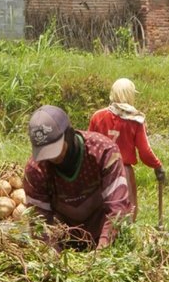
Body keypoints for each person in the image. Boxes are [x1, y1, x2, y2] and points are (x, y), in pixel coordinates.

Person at [23, 105, 132, 250]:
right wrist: (53, 257)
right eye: (45, 152)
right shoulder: (36, 169)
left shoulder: (103, 152)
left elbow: (117, 207)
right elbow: (39, 221)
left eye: (55, 149)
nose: (51, 157)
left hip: (104, 233)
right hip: (65, 239)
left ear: (69, 134)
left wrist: (103, 253)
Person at [88, 77, 165, 219]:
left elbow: (89, 147)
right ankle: (124, 237)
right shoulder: (135, 120)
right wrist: (157, 166)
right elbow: (144, 151)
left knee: (100, 208)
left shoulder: (98, 116)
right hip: (123, 170)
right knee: (127, 210)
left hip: (100, 169)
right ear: (130, 95)